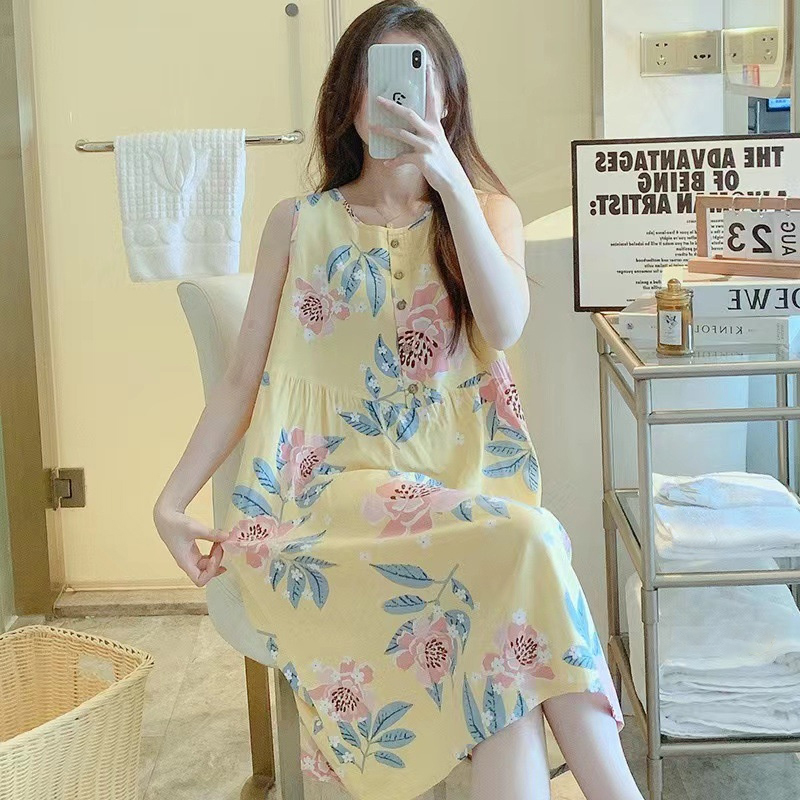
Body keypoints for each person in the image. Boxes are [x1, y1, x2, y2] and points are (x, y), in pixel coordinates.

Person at [153, 2, 644, 798]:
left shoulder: (485, 213)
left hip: (462, 501)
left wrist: (448, 182)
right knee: (530, 545)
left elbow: (504, 324)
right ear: (347, 99)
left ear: (447, 98)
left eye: (417, 79)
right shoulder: (298, 224)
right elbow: (242, 380)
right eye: (375, 79)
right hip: (327, 508)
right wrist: (170, 501)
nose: (395, 99)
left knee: (508, 675)